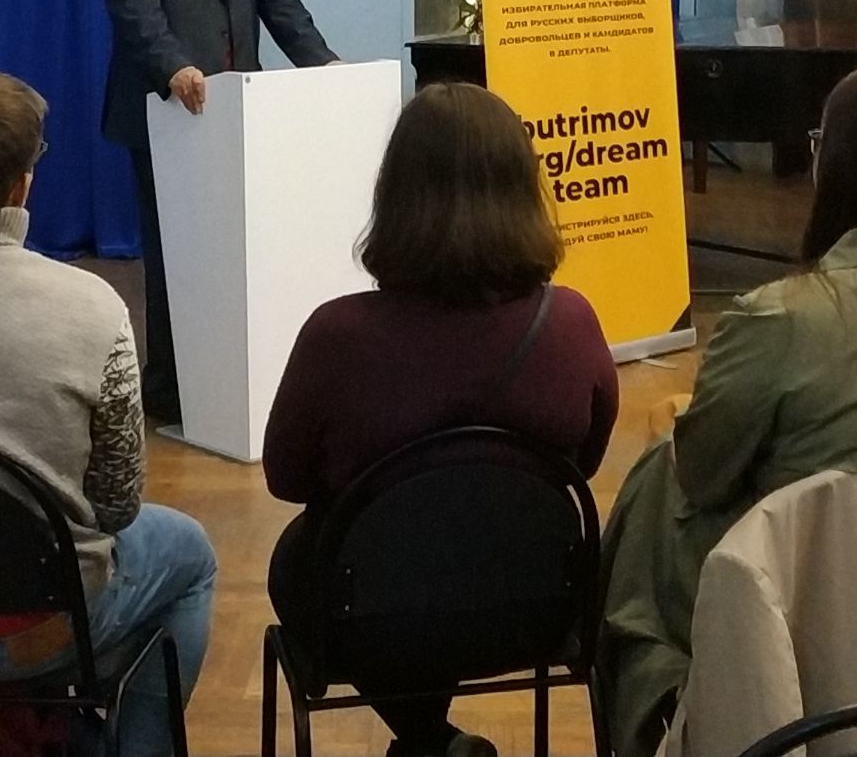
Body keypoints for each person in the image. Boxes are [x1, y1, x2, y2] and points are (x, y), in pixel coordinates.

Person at [263, 81, 619, 757]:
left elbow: (286, 479)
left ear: (396, 194)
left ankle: (430, 741)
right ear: (524, 188)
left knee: (310, 557)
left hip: (369, 619)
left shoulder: (337, 335)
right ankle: (433, 743)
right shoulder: (572, 322)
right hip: (534, 608)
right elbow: (587, 460)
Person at [598, 58, 857, 757]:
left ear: (838, 168)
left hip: (803, 624)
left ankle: (658, 709)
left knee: (657, 483)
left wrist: (674, 431)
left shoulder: (778, 318)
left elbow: (703, 476)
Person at [0, 68, 216, 757]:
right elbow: (116, 506)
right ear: (21, 185)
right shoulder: (92, 308)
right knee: (189, 554)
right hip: (46, 627)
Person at [99, 0, 337, 422]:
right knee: (176, 256)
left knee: (237, 255)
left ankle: (232, 376)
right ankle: (171, 388)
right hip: (169, 113)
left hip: (240, 117)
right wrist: (175, 66)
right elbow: (134, 5)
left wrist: (325, 65)